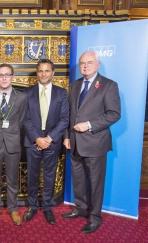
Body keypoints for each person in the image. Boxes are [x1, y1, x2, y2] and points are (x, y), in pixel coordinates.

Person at [62, 51, 121, 234]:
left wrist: (88, 125)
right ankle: (80, 208)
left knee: (96, 183)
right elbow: (69, 115)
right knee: (78, 180)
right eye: (82, 63)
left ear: (97, 64)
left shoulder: (108, 85)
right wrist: (66, 136)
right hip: (75, 143)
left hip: (96, 143)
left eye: (89, 62)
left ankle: (95, 218)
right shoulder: (74, 85)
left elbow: (114, 114)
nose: (85, 66)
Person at [23, 59, 69, 224]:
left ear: (52, 73)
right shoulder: (27, 93)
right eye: (40, 71)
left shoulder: (61, 93)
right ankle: (33, 206)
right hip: (33, 141)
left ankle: (48, 207)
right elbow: (25, 118)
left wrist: (49, 138)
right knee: (32, 176)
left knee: (49, 175)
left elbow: (65, 119)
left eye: (47, 71)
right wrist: (37, 138)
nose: (43, 74)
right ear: (37, 73)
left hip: (52, 141)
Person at [0, 63, 27, 226]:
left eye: (7, 74)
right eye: (1, 75)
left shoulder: (21, 97)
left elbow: (21, 120)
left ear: (12, 77)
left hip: (13, 144)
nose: (4, 78)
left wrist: (10, 132)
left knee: (12, 179)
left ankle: (13, 208)